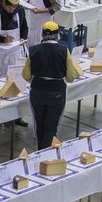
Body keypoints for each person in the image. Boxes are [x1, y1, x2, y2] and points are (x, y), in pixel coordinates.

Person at [22, 21, 79, 150]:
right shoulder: (64, 50)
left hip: (37, 89)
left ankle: (40, 150)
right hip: (56, 91)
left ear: (42, 35)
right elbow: (70, 77)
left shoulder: (34, 50)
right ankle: (46, 153)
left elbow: (25, 75)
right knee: (52, 126)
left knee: (39, 124)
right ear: (57, 35)